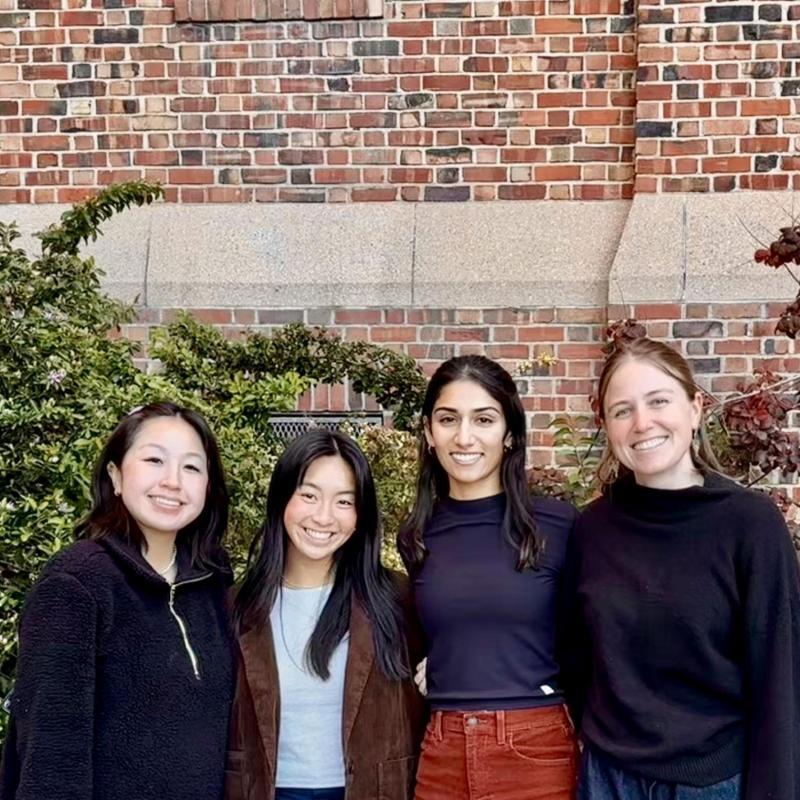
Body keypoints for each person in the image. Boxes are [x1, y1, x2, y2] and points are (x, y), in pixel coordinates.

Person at [563, 336, 800, 799]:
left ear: (694, 409)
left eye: (658, 401)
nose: (642, 422)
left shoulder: (749, 526)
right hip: (607, 778)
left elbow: (780, 681)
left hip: (712, 781)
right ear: (606, 425)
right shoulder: (591, 530)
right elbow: (575, 658)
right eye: (622, 410)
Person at [2, 402, 234, 800]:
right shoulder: (76, 584)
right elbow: (50, 756)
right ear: (116, 476)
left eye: (192, 467)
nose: (173, 481)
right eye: (154, 460)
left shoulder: (211, 581)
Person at [399, 355, 580, 800]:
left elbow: (588, 637)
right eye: (448, 419)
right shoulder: (418, 536)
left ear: (510, 433)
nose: (464, 437)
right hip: (442, 747)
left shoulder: (558, 527)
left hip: (536, 745)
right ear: (428, 432)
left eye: (483, 419)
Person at [225, 429, 425, 800]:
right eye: (309, 495)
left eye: (344, 502)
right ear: (282, 499)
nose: (323, 516)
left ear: (360, 515)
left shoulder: (397, 599)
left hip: (372, 790)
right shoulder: (237, 605)